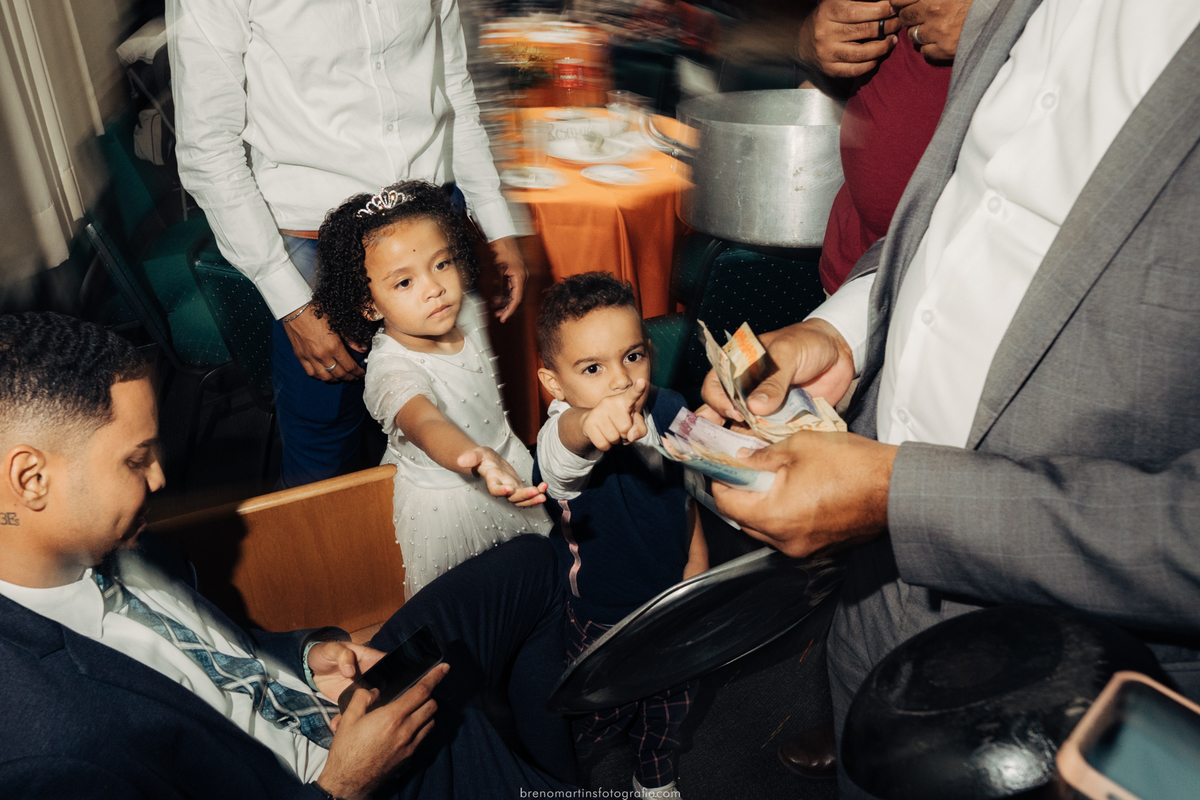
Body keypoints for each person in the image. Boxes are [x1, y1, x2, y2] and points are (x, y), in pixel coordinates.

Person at [703, 0, 1200, 796]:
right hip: (872, 596)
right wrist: (845, 333)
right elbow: (961, 216)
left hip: (1071, 678)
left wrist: (903, 497)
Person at [0, 311, 575, 798]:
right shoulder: (53, 749)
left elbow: (213, 654)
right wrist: (345, 785)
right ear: (31, 478)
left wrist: (305, 656)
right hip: (350, 782)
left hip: (333, 704)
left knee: (535, 561)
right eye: (135, 460)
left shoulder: (101, 535)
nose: (159, 478)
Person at [167, 0, 528, 489]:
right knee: (324, 465)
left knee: (467, 425)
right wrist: (292, 304)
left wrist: (494, 219)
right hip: (314, 250)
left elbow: (454, 90)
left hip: (434, 227)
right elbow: (208, 150)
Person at [311, 181, 550, 599]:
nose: (433, 288)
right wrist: (472, 456)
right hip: (450, 505)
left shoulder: (471, 313)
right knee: (468, 610)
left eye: (441, 264)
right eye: (403, 283)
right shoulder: (391, 369)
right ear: (369, 305)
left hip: (505, 461)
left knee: (533, 584)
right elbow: (423, 420)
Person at [532, 273, 708, 798]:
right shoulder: (561, 432)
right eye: (592, 368)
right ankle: (569, 777)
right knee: (598, 712)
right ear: (554, 384)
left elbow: (687, 486)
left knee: (671, 702)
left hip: (674, 593)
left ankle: (653, 773)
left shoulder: (666, 403)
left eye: (632, 356)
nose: (621, 380)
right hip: (603, 611)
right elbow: (560, 460)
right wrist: (588, 425)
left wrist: (697, 556)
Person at [797, 0, 972, 294]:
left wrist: (995, 16)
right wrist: (816, 42)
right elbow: (831, 63)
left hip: (974, 282)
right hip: (855, 265)